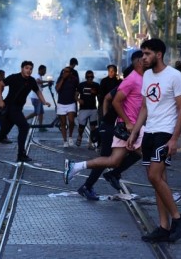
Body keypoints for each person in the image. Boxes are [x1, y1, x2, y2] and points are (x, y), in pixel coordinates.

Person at [128, 38, 181, 243]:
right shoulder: (146, 75)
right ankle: (163, 227)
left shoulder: (174, 76)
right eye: (142, 54)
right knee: (158, 180)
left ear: (158, 54)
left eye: (147, 54)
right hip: (150, 133)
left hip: (165, 133)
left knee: (155, 176)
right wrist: (135, 132)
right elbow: (145, 107)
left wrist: (174, 139)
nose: (142, 58)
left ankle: (178, 219)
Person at [65, 53, 143, 200]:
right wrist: (105, 119)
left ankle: (108, 174)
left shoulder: (137, 84)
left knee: (122, 157)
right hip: (112, 126)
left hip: (116, 126)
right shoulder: (128, 84)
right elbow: (108, 99)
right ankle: (88, 183)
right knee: (109, 158)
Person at [0, 61, 51, 163]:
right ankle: (21, 155)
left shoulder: (31, 81)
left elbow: (37, 91)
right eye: (26, 68)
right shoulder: (14, 77)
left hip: (17, 108)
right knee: (24, 127)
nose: (29, 70)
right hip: (10, 107)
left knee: (4, 131)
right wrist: (0, 100)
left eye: (30, 69)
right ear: (22, 68)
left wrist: (44, 101)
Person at [75, 70, 100, 149]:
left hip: (93, 108)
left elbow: (99, 97)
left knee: (93, 127)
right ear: (86, 77)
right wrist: (79, 100)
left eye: (91, 77)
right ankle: (80, 136)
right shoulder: (81, 85)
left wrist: (99, 107)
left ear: (93, 77)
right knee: (81, 126)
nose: (90, 78)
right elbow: (76, 95)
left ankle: (91, 142)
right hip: (83, 108)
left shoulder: (96, 85)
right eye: (88, 77)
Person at [55, 66, 79, 147]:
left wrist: (77, 96)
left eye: (67, 71)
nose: (64, 73)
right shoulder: (60, 78)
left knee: (71, 121)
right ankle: (65, 140)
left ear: (70, 73)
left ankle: (70, 136)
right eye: (64, 71)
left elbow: (77, 89)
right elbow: (57, 89)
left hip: (71, 103)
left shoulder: (74, 80)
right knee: (63, 123)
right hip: (61, 103)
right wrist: (63, 79)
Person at [25, 65, 47, 130]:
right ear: (40, 70)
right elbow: (38, 81)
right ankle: (23, 120)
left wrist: (48, 84)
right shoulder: (37, 76)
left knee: (41, 113)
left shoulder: (40, 76)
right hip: (36, 97)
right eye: (44, 71)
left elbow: (41, 86)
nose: (45, 72)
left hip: (38, 97)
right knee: (36, 113)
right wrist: (47, 81)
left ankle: (41, 127)